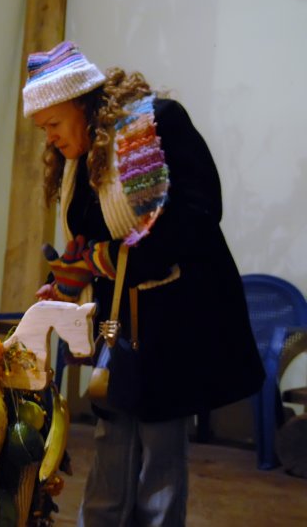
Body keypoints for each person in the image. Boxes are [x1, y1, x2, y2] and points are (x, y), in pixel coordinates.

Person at [22, 41, 264, 527]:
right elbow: (89, 239)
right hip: (121, 318)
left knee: (159, 443)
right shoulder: (81, 162)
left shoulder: (158, 124)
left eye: (53, 124)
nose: (49, 139)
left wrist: (109, 256)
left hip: (176, 313)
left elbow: (198, 214)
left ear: (83, 104)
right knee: (112, 429)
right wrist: (67, 280)